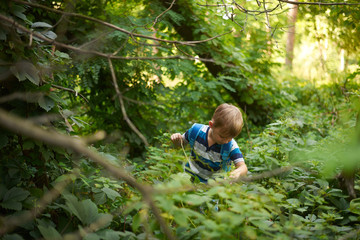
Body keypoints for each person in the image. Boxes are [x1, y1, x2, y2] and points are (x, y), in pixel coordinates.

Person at [171, 103, 248, 183]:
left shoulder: (231, 146)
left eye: (230, 138)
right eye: (222, 136)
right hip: (189, 178)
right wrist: (177, 141)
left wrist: (238, 172)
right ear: (211, 125)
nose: (226, 141)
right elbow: (180, 146)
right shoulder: (196, 131)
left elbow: (243, 167)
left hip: (213, 185)